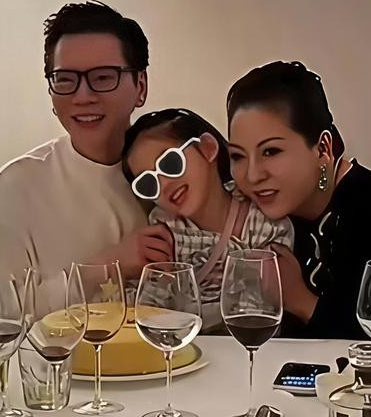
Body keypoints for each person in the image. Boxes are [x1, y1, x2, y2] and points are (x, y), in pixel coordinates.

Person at [225, 60, 371, 342]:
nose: (252, 175)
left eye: (271, 152)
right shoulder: (266, 209)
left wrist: (301, 300)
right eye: (238, 156)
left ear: (323, 148)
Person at [0, 1, 173, 282]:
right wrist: (106, 266)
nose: (83, 97)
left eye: (103, 77)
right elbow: (1, 304)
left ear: (140, 86)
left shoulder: (175, 171)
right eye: (65, 79)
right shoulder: (17, 187)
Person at [121, 108, 294, 332]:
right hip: (183, 347)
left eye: (170, 163)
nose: (164, 184)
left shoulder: (267, 224)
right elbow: (150, 311)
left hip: (246, 346)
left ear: (208, 148)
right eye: (148, 184)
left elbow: (257, 316)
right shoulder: (164, 230)